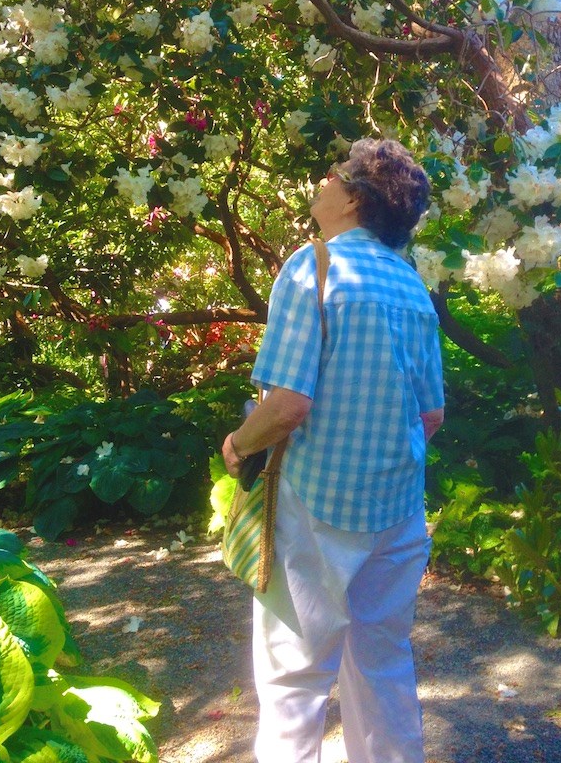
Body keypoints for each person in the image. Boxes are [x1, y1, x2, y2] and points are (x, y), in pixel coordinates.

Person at [222, 138, 445, 763]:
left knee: (294, 676)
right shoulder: (410, 285)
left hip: (317, 502)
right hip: (398, 508)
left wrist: (238, 444)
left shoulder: (313, 265)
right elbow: (432, 414)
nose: (320, 186)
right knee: (382, 663)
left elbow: (290, 404)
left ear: (351, 198)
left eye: (331, 177)